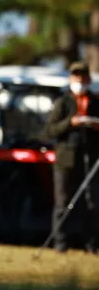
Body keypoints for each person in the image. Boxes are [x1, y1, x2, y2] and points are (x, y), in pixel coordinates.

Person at [44, 61, 99, 254]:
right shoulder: (63, 102)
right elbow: (50, 131)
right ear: (70, 78)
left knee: (92, 202)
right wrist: (71, 122)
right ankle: (60, 243)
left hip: (90, 158)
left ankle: (92, 244)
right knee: (62, 202)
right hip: (65, 160)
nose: (79, 80)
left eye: (83, 76)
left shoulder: (96, 102)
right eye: (76, 76)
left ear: (89, 79)